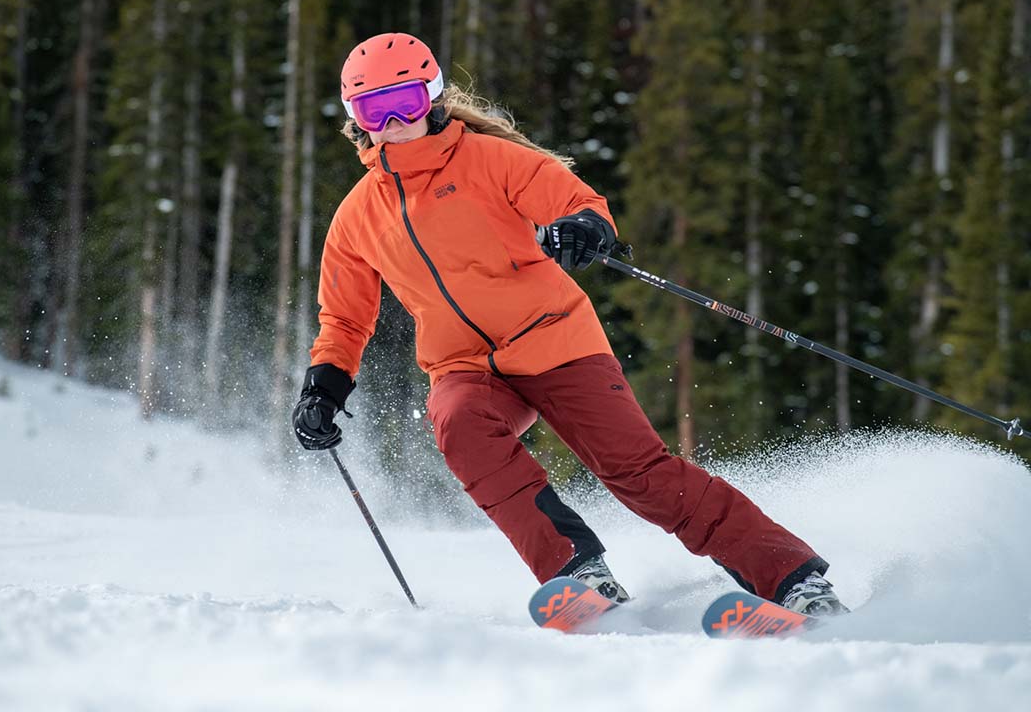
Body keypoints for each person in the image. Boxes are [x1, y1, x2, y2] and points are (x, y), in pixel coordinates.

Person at [291, 32, 846, 616]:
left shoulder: (492, 159)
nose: (393, 121)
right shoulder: (356, 216)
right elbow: (345, 318)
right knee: (457, 421)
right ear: (356, 119)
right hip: (464, 366)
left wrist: (583, 227)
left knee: (638, 475)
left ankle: (793, 580)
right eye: (374, 109)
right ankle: (580, 574)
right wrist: (323, 388)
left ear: (431, 97)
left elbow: (576, 201)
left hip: (556, 340)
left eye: (404, 100)